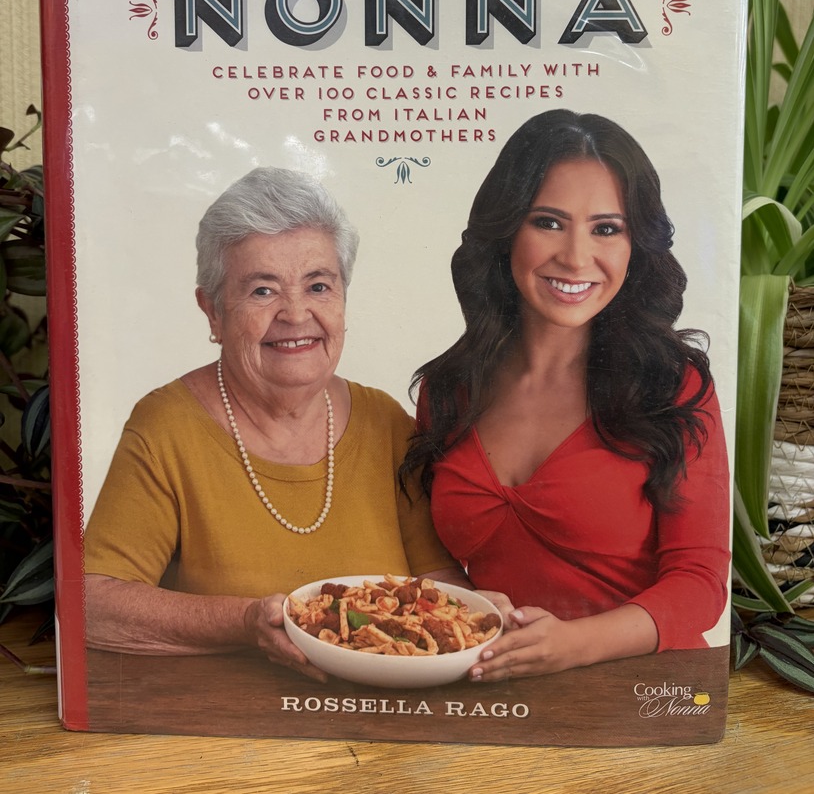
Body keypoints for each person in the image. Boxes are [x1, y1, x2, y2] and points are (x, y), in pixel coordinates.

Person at [84, 167, 465, 681]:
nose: (295, 313)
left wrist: (485, 610)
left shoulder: (387, 423)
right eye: (263, 291)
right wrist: (245, 622)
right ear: (213, 312)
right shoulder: (166, 427)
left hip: (386, 718)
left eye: (319, 285)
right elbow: (92, 604)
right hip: (224, 731)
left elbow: (437, 585)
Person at [400, 109, 731, 681]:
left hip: (649, 694)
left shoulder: (673, 386)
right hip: (493, 687)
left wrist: (574, 645)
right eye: (549, 222)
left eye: (607, 228)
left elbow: (700, 582)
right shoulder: (449, 386)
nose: (577, 257)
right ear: (506, 232)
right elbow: (438, 560)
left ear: (636, 245)